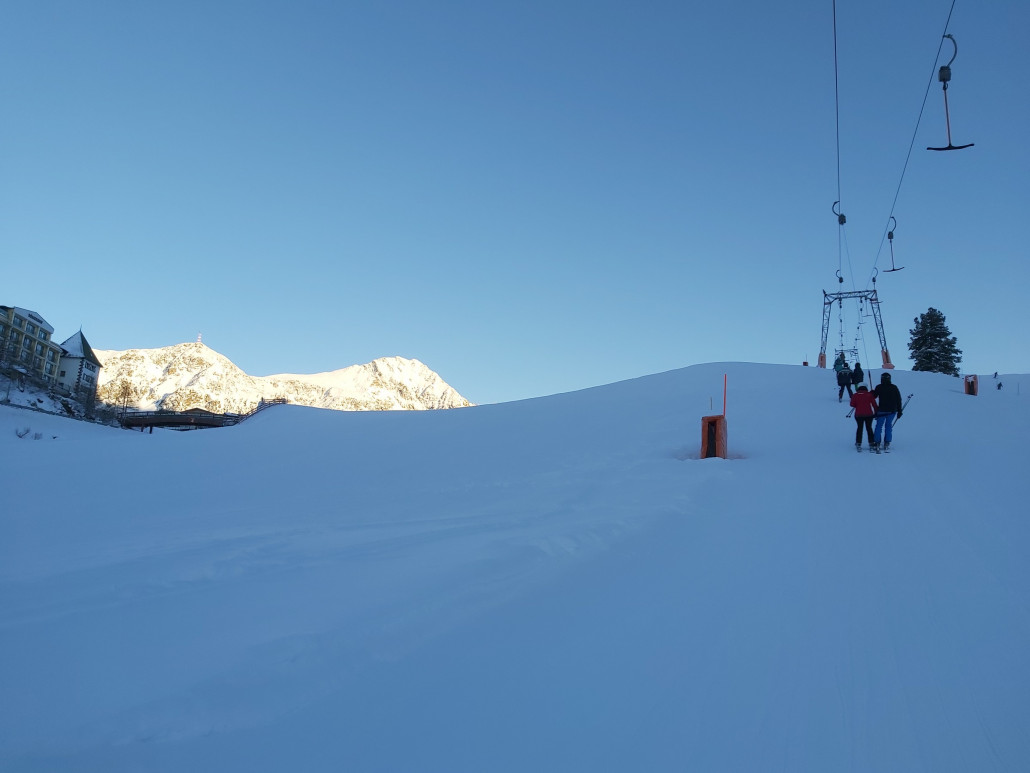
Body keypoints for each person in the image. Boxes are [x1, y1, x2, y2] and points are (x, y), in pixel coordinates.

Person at [872, 371, 903, 452]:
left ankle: (877, 441)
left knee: (879, 426)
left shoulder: (879, 387)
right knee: (888, 426)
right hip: (892, 411)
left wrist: (872, 392)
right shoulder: (894, 387)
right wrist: (899, 411)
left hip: (881, 410)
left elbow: (874, 396)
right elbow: (898, 399)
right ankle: (887, 442)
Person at [849, 385, 877, 450]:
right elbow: (874, 404)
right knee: (869, 428)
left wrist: (857, 404)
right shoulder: (869, 395)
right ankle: (871, 442)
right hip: (869, 414)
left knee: (859, 428)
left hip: (859, 415)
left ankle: (858, 442)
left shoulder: (855, 395)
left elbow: (852, 404)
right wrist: (876, 412)